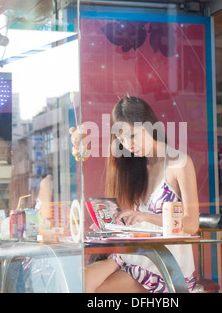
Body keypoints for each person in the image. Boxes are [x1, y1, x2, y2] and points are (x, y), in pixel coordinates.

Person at [77, 96, 200, 293]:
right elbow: (142, 225)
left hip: (163, 266)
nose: (128, 145)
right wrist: (113, 224)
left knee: (102, 292)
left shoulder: (180, 163)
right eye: (122, 139)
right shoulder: (137, 167)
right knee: (79, 281)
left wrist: (144, 216)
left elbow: (192, 223)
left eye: (132, 136)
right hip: (133, 256)